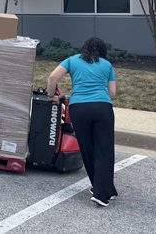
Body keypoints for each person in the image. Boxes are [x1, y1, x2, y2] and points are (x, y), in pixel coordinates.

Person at [47, 37, 117, 207]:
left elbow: (52, 77)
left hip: (79, 108)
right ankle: (102, 193)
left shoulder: (72, 60)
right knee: (104, 150)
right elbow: (112, 93)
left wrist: (51, 96)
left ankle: (103, 188)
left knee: (87, 149)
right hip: (102, 108)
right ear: (102, 50)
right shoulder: (106, 64)